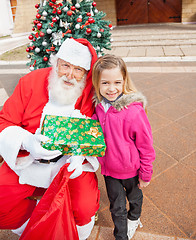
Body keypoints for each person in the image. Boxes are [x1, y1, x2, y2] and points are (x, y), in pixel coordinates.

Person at [0, 38, 100, 240]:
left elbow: (94, 134)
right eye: (66, 66)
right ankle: (36, 225)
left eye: (78, 70)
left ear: (86, 73)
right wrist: (27, 142)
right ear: (56, 62)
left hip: (67, 164)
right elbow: (5, 122)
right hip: (27, 160)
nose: (70, 75)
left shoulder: (88, 93)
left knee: (85, 207)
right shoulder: (30, 82)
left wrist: (79, 158)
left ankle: (69, 232)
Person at [92, 54, 156, 240]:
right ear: (97, 82)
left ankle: (134, 218)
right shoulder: (98, 106)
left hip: (132, 170)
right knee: (116, 206)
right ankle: (121, 236)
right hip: (109, 170)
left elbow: (146, 146)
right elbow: (98, 126)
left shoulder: (134, 112)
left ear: (124, 80)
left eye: (117, 82)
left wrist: (146, 173)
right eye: (105, 83)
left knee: (134, 199)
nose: (111, 89)